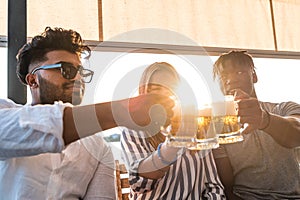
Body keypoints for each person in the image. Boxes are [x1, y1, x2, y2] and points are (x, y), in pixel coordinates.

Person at [0, 27, 173, 199]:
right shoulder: (5, 112)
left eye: (81, 72)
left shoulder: (98, 148)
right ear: (33, 80)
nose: (77, 79)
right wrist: (120, 112)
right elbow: (28, 127)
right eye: (66, 69)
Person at [121, 62, 226, 199]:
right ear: (143, 93)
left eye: (170, 89)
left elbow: (214, 187)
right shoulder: (133, 131)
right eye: (156, 90)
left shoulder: (198, 127)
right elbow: (139, 183)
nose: (165, 96)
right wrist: (174, 143)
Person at [212, 50, 300, 200]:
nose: (230, 80)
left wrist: (264, 120)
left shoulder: (284, 108)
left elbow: (296, 133)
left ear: (254, 76)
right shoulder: (217, 126)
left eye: (239, 72)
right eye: (223, 76)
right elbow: (227, 186)